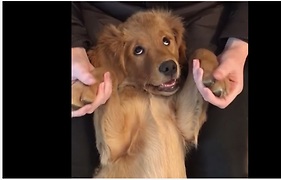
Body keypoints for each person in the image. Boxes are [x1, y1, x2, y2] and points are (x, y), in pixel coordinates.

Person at [72, 2, 248, 178]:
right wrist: (96, 78)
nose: (165, 59)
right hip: (96, 19)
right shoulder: (125, 96)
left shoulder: (174, 93)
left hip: (206, 21)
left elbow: (187, 127)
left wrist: (217, 54)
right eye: (138, 50)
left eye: (166, 41)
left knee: (225, 164)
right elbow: (114, 146)